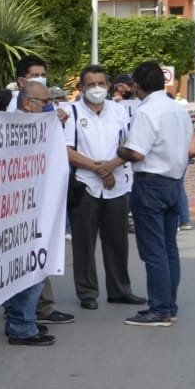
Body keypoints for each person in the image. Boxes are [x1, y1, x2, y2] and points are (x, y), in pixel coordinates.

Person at [117, 61, 195, 327]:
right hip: (174, 182)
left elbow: (137, 152)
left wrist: (121, 150)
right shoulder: (178, 109)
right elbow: (192, 148)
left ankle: (159, 308)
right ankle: (169, 305)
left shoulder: (146, 111)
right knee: (168, 249)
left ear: (137, 86)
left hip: (151, 182)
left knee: (154, 252)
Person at [64, 65, 144, 311]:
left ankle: (120, 290)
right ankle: (87, 292)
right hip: (85, 186)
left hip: (117, 185)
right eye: (91, 84)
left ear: (109, 86)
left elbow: (131, 144)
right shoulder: (71, 112)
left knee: (117, 241)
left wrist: (111, 167)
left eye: (101, 83)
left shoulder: (120, 111)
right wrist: (99, 169)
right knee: (84, 242)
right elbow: (67, 151)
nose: (96, 88)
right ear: (82, 87)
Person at [2, 83, 59, 347]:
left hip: (35, 207)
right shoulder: (15, 128)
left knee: (32, 268)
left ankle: (22, 321)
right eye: (44, 101)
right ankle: (21, 326)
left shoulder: (41, 126)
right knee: (28, 269)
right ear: (27, 103)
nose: (50, 106)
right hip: (20, 210)